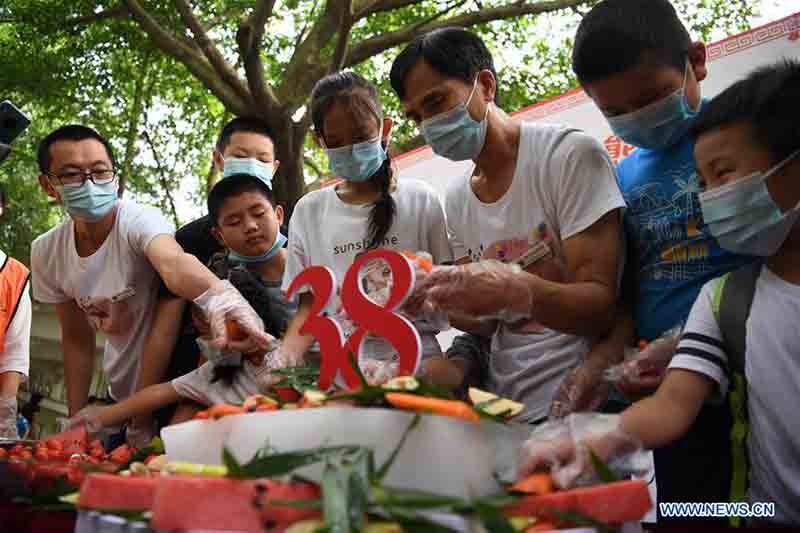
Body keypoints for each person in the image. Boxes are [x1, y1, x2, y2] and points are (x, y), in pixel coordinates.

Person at [522, 60, 800, 527]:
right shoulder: (722, 301)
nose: (710, 198)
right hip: (761, 512)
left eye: (723, 174)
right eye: (702, 183)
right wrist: (594, 440)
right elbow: (671, 405)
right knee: (677, 513)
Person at [570, 0, 751, 519]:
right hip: (661, 396)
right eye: (616, 112)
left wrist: (688, 343)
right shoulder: (623, 178)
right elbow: (631, 291)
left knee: (747, 511)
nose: (637, 118)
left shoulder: (740, 143)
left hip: (741, 383)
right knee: (683, 512)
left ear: (696, 61)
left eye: (651, 98)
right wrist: (607, 360)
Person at [389, 28, 626, 423]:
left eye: (435, 102)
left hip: (586, 406)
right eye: (416, 117)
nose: (429, 125)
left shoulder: (568, 156)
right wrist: (433, 301)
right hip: (506, 411)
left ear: (485, 85)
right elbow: (487, 325)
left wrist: (516, 289)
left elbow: (600, 308)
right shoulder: (458, 199)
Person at [30, 125, 270, 441]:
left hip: (173, 392)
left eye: (100, 171)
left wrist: (220, 298)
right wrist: (78, 423)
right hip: (120, 394)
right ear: (48, 185)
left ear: (114, 176)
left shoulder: (138, 221)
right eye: (72, 174)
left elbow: (174, 263)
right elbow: (76, 338)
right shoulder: (47, 251)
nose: (89, 183)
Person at [65, 171, 297, 429]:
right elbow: (176, 387)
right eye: (234, 221)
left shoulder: (309, 270)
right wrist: (96, 420)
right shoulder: (219, 289)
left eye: (258, 213)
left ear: (278, 215)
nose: (250, 226)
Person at [274, 71, 454, 380]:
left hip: (419, 369)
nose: (351, 149)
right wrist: (283, 360)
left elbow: (448, 293)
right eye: (336, 142)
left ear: (385, 129)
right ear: (319, 141)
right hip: (343, 371)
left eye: (361, 136)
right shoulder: (309, 211)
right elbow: (309, 310)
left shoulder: (420, 199)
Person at [130, 117, 284, 439]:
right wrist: (140, 420)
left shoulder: (295, 235)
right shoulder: (191, 239)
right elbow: (164, 330)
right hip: (207, 375)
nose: (250, 227)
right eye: (241, 155)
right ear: (219, 159)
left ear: (274, 168)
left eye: (262, 159)